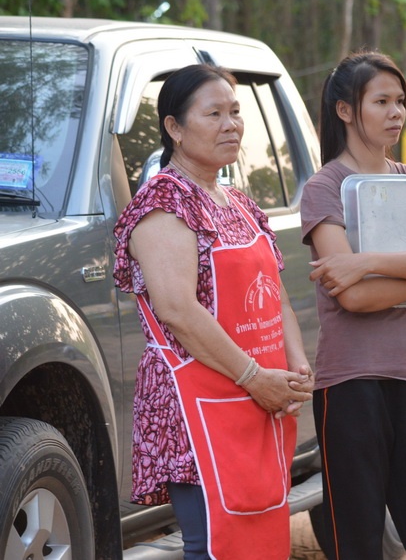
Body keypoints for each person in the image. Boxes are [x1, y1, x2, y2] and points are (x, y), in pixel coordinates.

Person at [113, 64, 313, 560]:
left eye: (235, 112)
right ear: (174, 128)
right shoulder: (164, 202)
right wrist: (254, 377)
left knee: (260, 538)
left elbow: (276, 293)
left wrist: (295, 366)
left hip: (259, 399)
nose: (231, 125)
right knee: (216, 545)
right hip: (200, 406)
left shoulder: (240, 203)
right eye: (214, 114)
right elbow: (178, 310)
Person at [300, 50, 406, 560]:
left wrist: (366, 262)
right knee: (357, 536)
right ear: (345, 110)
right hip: (350, 383)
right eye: (381, 101)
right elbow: (354, 297)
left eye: (400, 101)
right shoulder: (323, 188)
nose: (396, 112)